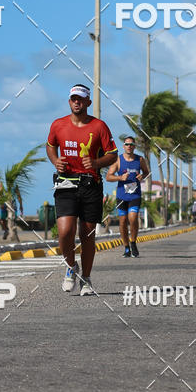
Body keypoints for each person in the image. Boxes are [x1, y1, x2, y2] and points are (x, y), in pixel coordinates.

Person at [46, 84, 117, 295]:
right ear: (69, 102)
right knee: (65, 231)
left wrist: (95, 163)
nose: (76, 102)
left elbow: (113, 154)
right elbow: (50, 145)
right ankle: (70, 266)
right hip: (66, 183)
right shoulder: (58, 125)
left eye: (80, 99)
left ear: (88, 102)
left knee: (87, 235)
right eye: (73, 98)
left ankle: (86, 278)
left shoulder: (99, 126)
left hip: (90, 184)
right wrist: (55, 160)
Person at [106, 136, 149, 257]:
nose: (129, 146)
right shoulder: (118, 160)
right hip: (121, 196)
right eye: (126, 144)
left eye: (131, 144)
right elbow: (108, 176)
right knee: (123, 221)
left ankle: (133, 242)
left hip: (135, 195)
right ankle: (126, 248)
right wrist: (120, 177)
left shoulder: (140, 160)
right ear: (123, 146)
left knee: (133, 218)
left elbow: (146, 172)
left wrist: (142, 176)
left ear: (134, 146)